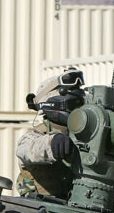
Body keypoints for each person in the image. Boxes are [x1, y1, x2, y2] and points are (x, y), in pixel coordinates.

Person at [15, 69, 85, 199]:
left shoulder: (85, 135)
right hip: (39, 207)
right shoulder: (34, 136)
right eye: (73, 104)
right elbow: (26, 150)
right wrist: (51, 143)